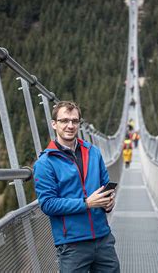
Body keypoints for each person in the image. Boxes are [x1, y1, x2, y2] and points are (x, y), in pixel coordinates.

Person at [34, 101, 120, 273]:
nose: (70, 125)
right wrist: (86, 203)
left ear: (80, 124)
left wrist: (109, 202)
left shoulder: (94, 152)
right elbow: (48, 204)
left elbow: (105, 186)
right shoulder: (45, 163)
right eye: (64, 121)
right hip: (72, 245)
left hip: (103, 238)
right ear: (54, 124)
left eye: (74, 121)